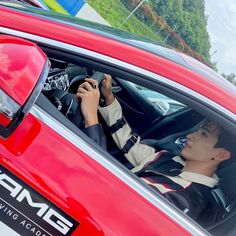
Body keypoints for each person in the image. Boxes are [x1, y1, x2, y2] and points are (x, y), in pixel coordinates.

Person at [76, 75, 234, 220]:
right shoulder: (173, 161)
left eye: (204, 135)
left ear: (220, 155)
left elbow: (106, 196)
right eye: (197, 131)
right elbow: (130, 145)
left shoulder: (182, 199)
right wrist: (109, 97)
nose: (191, 136)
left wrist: (91, 117)